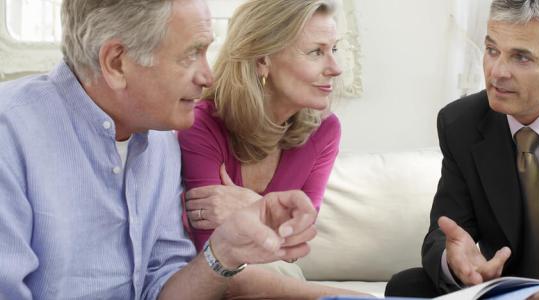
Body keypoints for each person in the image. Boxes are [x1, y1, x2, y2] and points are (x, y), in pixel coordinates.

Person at [0, 0, 323, 299]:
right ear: (116, 63)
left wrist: (225, 250)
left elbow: (162, 290)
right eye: (191, 54)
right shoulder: (10, 135)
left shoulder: (162, 142)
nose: (207, 76)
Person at [386, 0, 539, 299]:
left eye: (521, 57)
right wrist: (457, 261)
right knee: (407, 285)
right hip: (508, 291)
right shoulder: (461, 123)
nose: (497, 72)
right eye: (492, 50)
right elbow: (446, 233)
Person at [177, 0, 353, 297]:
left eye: (334, 49)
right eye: (316, 52)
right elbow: (215, 263)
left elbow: (297, 243)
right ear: (262, 59)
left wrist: (250, 207)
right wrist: (360, 299)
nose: (335, 68)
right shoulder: (200, 124)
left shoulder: (325, 130)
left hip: (275, 278)